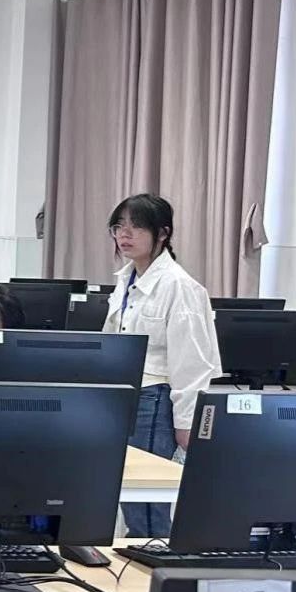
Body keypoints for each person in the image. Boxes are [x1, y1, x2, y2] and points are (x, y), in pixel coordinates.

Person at [103, 193, 221, 538]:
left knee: (147, 499)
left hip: (155, 399)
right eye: (118, 226)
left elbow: (193, 362)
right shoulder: (127, 279)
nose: (124, 234)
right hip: (126, 397)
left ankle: (155, 556)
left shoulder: (179, 286)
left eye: (136, 226)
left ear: (163, 233)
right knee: (128, 493)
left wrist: (186, 423)